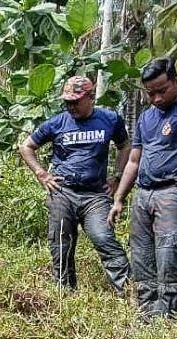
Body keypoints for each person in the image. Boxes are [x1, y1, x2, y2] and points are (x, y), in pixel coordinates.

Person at [109, 59, 177, 319]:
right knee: (141, 253)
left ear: (176, 82)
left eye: (162, 90)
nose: (156, 98)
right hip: (144, 193)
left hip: (174, 191)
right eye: (150, 93)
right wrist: (119, 198)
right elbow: (134, 161)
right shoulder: (146, 117)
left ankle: (169, 311)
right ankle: (147, 309)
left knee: (169, 252)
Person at [19, 76, 132, 294]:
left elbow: (125, 145)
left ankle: (128, 290)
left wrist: (117, 176)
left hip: (95, 195)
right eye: (67, 102)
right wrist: (42, 174)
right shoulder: (57, 122)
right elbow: (26, 147)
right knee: (61, 244)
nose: (71, 107)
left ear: (91, 97)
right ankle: (65, 294)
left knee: (103, 237)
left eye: (76, 101)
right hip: (62, 192)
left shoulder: (110, 119)